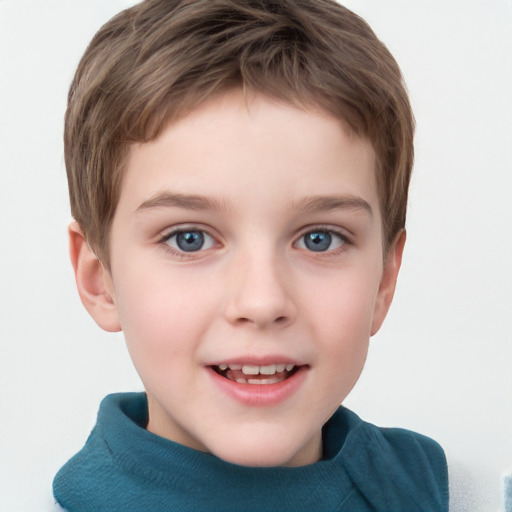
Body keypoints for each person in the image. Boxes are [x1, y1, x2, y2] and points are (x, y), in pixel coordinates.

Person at [52, 0, 449, 510]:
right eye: (188, 238)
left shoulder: (451, 491)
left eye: (319, 239)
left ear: (384, 280)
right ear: (98, 278)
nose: (262, 302)